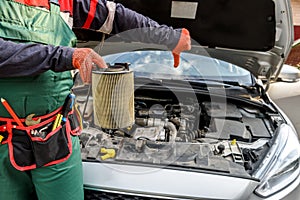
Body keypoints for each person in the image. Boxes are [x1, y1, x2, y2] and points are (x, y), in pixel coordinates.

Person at [0, 0, 191, 199]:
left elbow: (115, 16)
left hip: (56, 140)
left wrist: (168, 37)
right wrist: (66, 56)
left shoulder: (66, 2)